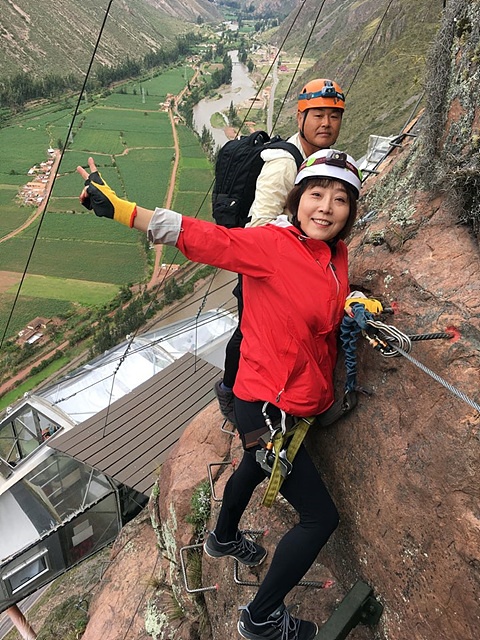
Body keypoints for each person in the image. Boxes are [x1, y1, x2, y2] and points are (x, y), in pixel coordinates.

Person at [77, 146, 362, 640]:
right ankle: (261, 618)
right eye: (316, 194)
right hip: (269, 403)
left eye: (340, 199)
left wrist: (352, 304)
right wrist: (125, 211)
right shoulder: (271, 246)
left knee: (253, 466)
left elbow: (321, 303)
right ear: (296, 200)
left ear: (349, 212)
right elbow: (205, 238)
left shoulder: (334, 255)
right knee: (319, 517)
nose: (325, 207)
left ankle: (222, 538)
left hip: (284, 398)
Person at [215, 78, 346, 426]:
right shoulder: (285, 164)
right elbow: (258, 225)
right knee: (247, 329)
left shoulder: (311, 159)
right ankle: (230, 393)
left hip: (286, 263)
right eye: (317, 115)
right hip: (265, 264)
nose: (326, 124)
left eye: (333, 117)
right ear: (300, 117)